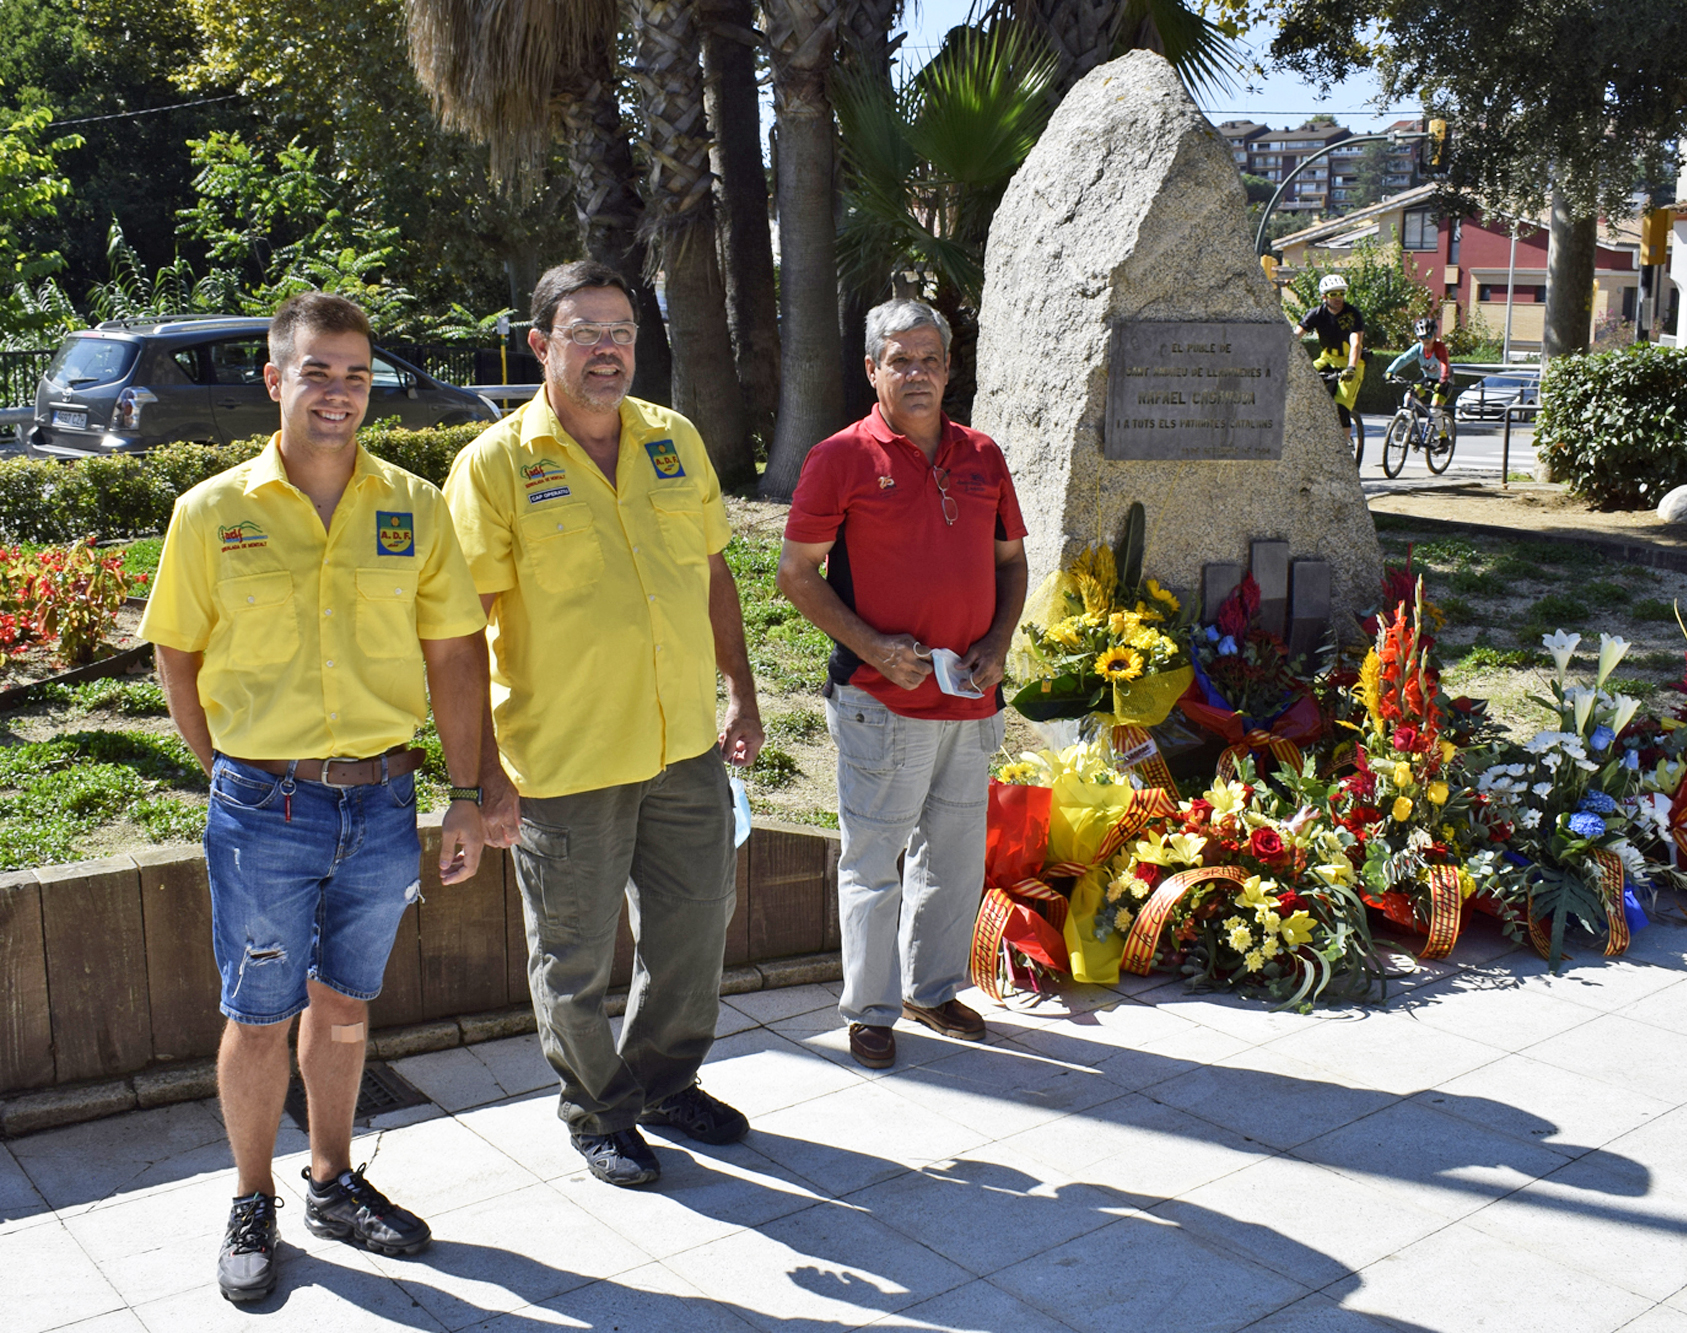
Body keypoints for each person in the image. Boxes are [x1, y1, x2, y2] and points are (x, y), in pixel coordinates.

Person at [141, 292, 490, 1304]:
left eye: (355, 372)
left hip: (382, 802)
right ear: (275, 379)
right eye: (318, 370)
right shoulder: (213, 511)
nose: (339, 390)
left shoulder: (413, 505)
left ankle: (332, 1181)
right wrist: (226, 768)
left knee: (343, 1011)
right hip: (264, 808)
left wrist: (467, 793)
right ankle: (251, 1198)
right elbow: (177, 648)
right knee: (258, 1016)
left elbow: (455, 655)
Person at [443, 260, 763, 1190]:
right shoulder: (495, 464)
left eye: (621, 332)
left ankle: (663, 1083)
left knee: (696, 929)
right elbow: (460, 633)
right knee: (574, 956)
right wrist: (480, 777)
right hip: (564, 761)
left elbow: (711, 575)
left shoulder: (673, 439)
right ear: (541, 344)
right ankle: (596, 1110)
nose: (608, 350)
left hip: (681, 750)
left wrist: (740, 691)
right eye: (584, 332)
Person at [777, 298, 1028, 1070]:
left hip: (967, 697)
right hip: (880, 700)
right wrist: (874, 647)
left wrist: (995, 641)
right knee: (873, 858)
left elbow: (1011, 564)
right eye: (899, 360)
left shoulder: (982, 452)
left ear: (949, 368)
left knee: (952, 857)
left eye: (929, 359)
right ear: (871, 370)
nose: (916, 373)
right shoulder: (840, 457)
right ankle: (870, 1008)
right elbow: (794, 574)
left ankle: (931, 987)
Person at [1298, 273, 1367, 431]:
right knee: (1300, 380)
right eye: (1333, 294)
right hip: (1328, 359)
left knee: (1341, 409)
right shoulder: (1316, 314)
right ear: (1324, 297)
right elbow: (1294, 337)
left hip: (1351, 362)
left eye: (1341, 294)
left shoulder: (1352, 314)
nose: (1338, 298)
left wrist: (1351, 368)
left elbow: (1356, 344)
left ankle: (1343, 451)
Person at [1386, 316, 1454, 421]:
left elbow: (1444, 363)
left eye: (1429, 336)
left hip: (1445, 380)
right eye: (1422, 337)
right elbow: (1404, 359)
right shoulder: (1418, 348)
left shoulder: (1439, 347)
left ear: (1434, 335)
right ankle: (1408, 424)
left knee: (1435, 410)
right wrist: (1390, 371)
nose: (1426, 340)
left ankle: (1443, 435)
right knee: (1409, 396)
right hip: (1429, 378)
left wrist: (1443, 380)